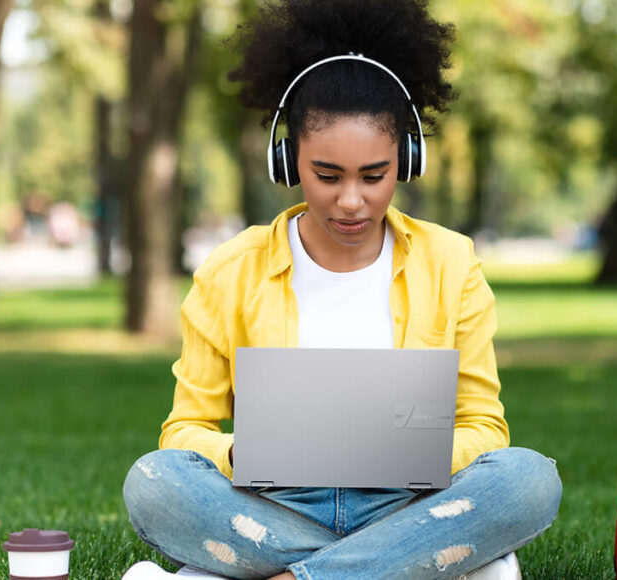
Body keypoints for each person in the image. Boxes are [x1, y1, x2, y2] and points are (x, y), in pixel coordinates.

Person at [122, 1, 562, 578]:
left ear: (406, 159)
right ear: (288, 161)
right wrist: (244, 454)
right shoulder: (230, 270)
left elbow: (484, 426)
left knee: (529, 478)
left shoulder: (452, 262)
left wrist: (411, 458)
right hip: (276, 502)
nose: (351, 201)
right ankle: (401, 564)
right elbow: (183, 433)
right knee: (153, 482)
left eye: (373, 176)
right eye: (327, 175)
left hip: (405, 500)